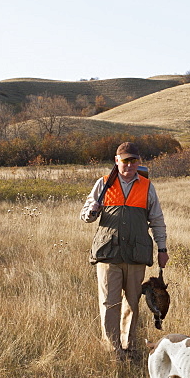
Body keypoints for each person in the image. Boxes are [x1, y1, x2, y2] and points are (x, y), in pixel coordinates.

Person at [80, 142, 169, 359]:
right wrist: (92, 211)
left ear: (139, 162)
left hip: (136, 254)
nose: (129, 165)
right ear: (116, 160)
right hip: (108, 253)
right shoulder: (103, 184)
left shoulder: (147, 186)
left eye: (133, 160)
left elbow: (157, 220)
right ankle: (113, 350)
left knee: (132, 302)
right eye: (125, 160)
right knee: (109, 303)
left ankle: (128, 346)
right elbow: (85, 216)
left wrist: (162, 248)